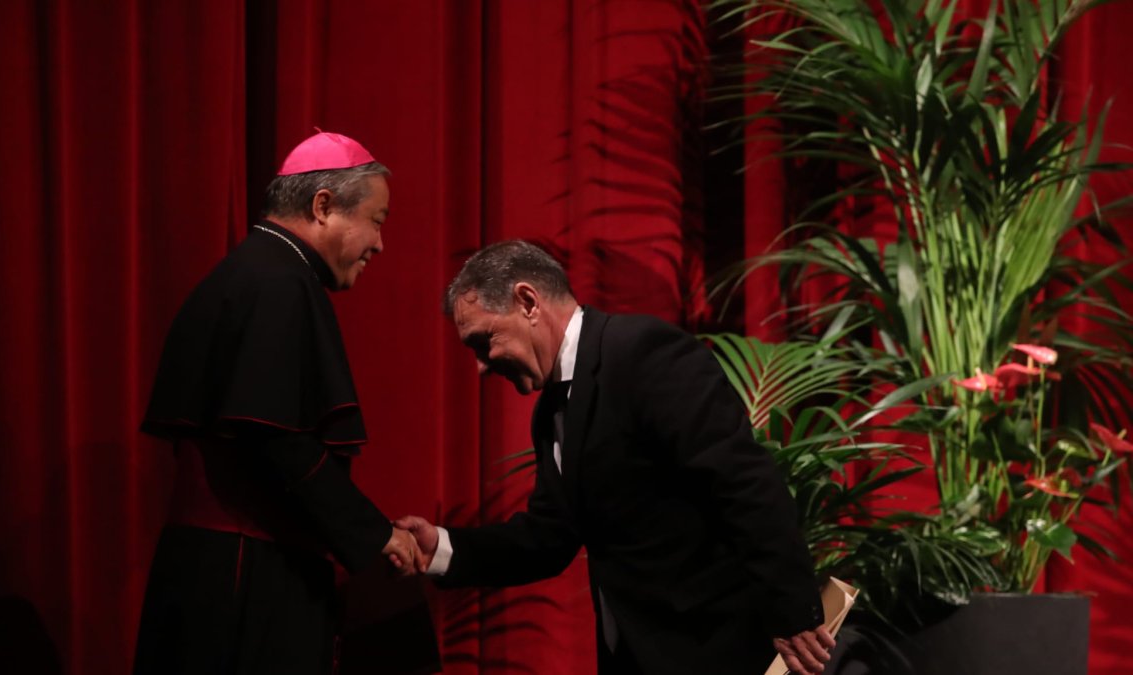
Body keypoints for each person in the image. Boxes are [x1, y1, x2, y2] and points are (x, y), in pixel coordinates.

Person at [398, 240, 835, 675]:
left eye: (483, 341)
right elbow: (549, 539)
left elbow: (742, 481)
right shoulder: (551, 412)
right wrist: (442, 547)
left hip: (714, 648)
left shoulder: (644, 353)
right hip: (634, 657)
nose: (480, 365)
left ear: (527, 301)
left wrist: (794, 612)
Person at [134, 131, 425, 674]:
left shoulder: (249, 272)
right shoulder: (279, 283)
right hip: (247, 573)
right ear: (323, 206)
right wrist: (373, 533)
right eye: (377, 221)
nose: (380, 244)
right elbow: (275, 438)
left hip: (210, 567)